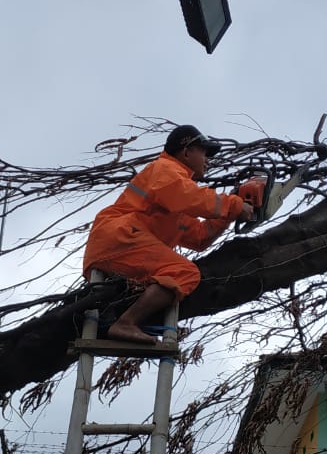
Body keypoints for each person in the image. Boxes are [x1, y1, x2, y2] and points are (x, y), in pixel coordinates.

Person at [84, 124, 263, 344]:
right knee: (184, 272)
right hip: (120, 235)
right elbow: (190, 197)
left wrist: (228, 214)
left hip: (120, 241)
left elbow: (199, 236)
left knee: (175, 272)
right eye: (204, 152)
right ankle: (125, 323)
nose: (208, 160)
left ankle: (124, 321)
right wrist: (234, 205)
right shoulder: (166, 170)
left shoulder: (174, 195)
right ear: (187, 151)